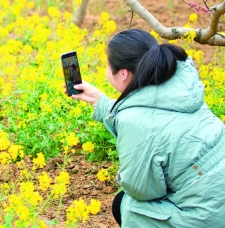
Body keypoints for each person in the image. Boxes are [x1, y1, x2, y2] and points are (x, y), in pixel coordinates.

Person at [67, 29, 225, 227]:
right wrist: (101, 102)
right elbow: (155, 119)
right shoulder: (181, 86)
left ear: (123, 73)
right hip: (217, 196)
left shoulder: (135, 120)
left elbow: (142, 190)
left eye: (107, 65)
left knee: (125, 205)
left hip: (208, 217)